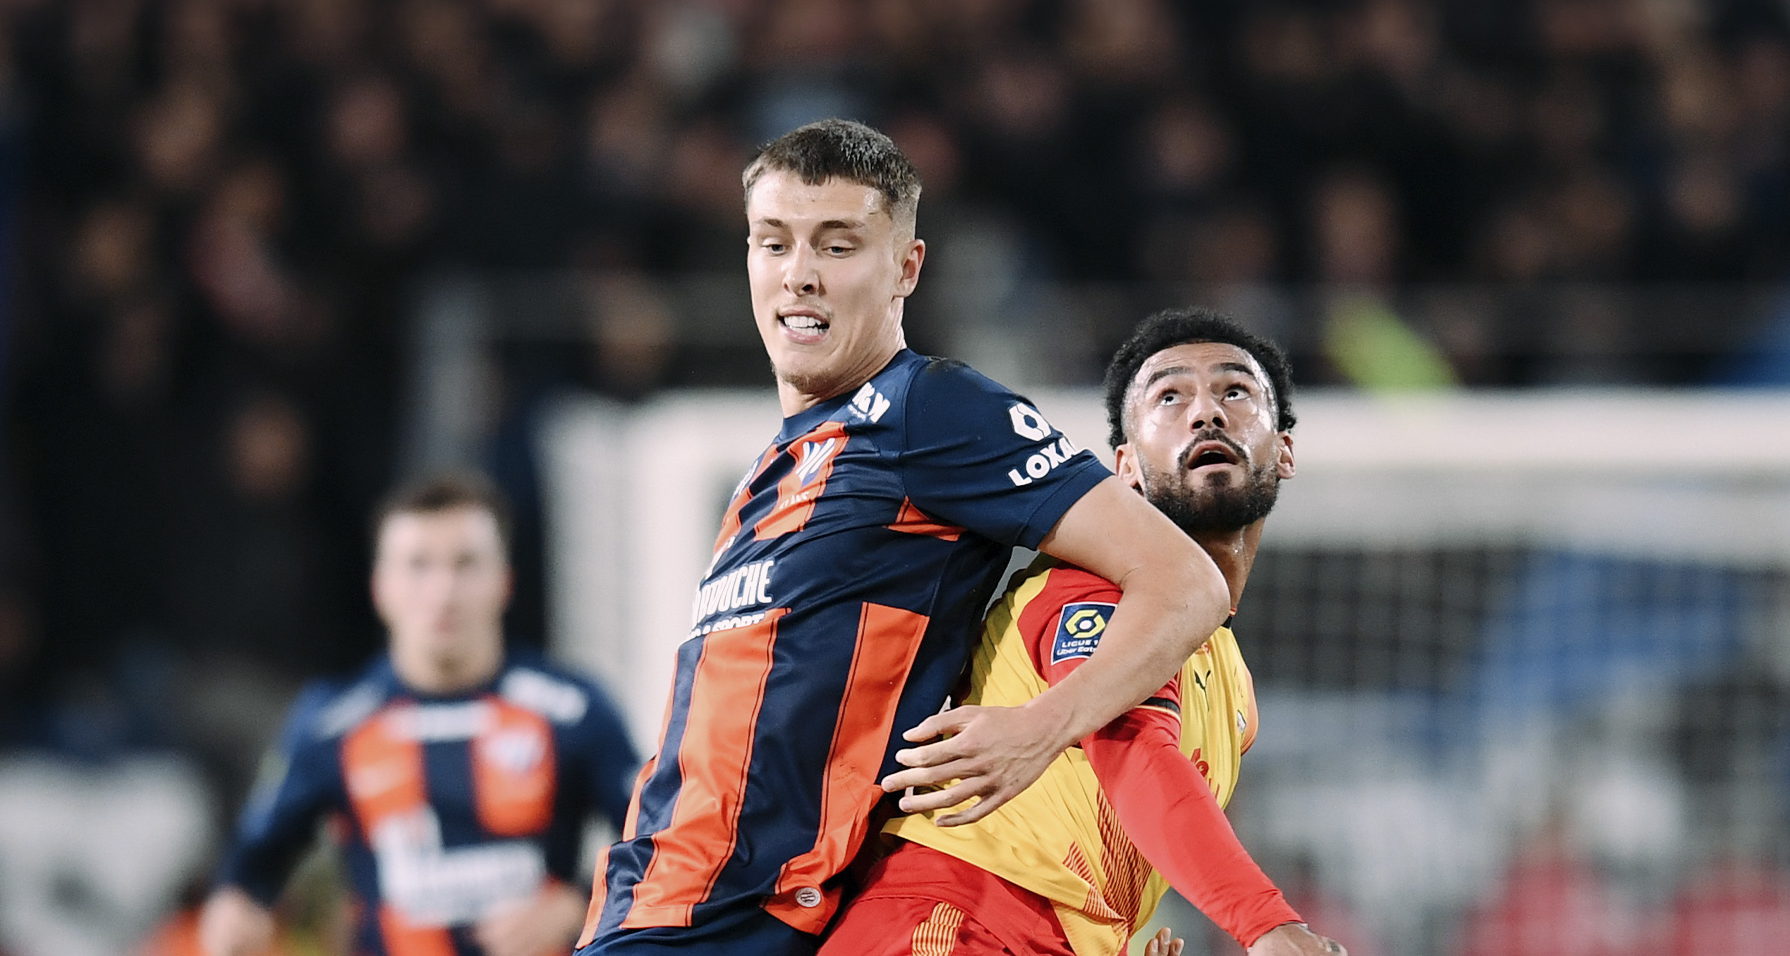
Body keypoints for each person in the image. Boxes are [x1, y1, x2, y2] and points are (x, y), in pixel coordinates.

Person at [576, 120, 1229, 954]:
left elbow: (1185, 582)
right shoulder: (766, 472)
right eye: (773, 243)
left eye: (837, 246)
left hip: (742, 914)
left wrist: (1041, 727)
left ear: (906, 268)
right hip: (655, 901)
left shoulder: (930, 410)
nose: (799, 274)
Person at [819, 309, 1348, 956]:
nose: (1206, 413)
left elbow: (1097, 833)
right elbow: (1128, 744)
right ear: (1125, 467)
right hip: (947, 923)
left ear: (1285, 451)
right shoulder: (1094, 587)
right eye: (1170, 397)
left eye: (1234, 391)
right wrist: (1266, 925)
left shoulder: (1235, 689)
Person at [199, 472, 642, 956]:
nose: (442, 591)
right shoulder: (332, 722)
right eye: (418, 566)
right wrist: (234, 908)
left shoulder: (574, 710)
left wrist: (579, 904)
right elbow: (250, 867)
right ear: (380, 588)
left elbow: (658, 846)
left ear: (505, 581)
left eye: (466, 564)